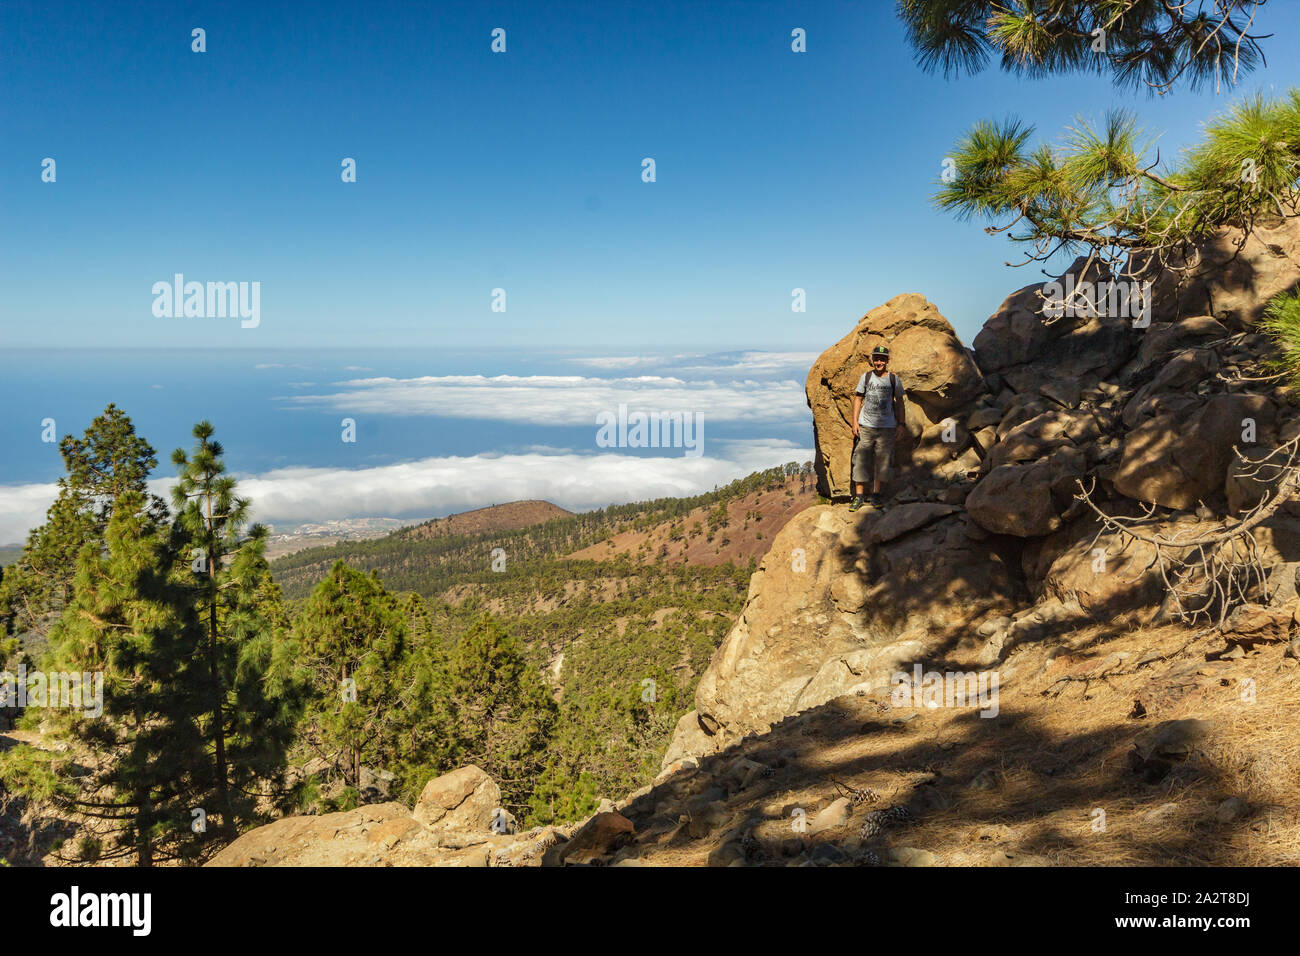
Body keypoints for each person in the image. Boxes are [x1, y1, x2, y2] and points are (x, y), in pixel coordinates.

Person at [849, 345, 907, 512]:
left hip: (887, 428)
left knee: (882, 463)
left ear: (887, 361)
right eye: (876, 358)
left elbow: (900, 403)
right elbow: (858, 399)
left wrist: (901, 424)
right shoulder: (866, 377)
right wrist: (855, 422)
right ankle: (859, 497)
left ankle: (876, 495)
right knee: (860, 460)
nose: (879, 362)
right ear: (872, 360)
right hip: (866, 427)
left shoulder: (894, 379)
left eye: (882, 359)